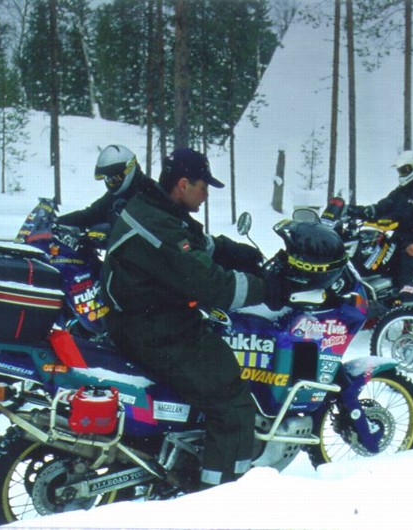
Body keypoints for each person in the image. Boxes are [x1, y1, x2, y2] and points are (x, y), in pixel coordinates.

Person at [101, 147, 285, 489]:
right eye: (203, 186)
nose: (205, 194)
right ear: (183, 184)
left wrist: (234, 251)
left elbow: (193, 244)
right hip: (155, 329)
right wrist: (271, 289)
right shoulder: (159, 226)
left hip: (147, 319)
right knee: (231, 399)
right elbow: (213, 287)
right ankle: (221, 494)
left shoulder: (155, 207)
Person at [348, 150, 413, 287]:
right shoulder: (402, 190)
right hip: (399, 238)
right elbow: (384, 205)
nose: (402, 174)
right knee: (374, 263)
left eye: (405, 170)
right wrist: (357, 211)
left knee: (405, 275)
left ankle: (406, 303)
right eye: (400, 171)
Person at [57, 144, 150, 228]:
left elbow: (144, 234)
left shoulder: (150, 194)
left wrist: (107, 234)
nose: (111, 184)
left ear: (128, 170)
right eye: (108, 180)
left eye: (114, 179)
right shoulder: (117, 196)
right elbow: (90, 215)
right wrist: (57, 222)